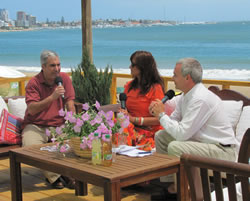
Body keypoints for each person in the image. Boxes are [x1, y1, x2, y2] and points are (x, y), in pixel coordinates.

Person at [149, 58, 237, 201]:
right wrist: (161, 114)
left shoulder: (199, 98)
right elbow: (174, 121)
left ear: (187, 77)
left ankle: (190, 194)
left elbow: (182, 134)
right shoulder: (186, 96)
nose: (172, 78)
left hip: (222, 150)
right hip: (205, 144)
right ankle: (173, 188)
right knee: (161, 136)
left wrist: (161, 115)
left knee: (176, 146)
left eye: (175, 75)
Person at [21, 50, 76, 189]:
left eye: (58, 65)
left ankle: (61, 175)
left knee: (74, 144)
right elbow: (32, 109)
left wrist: (74, 122)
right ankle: (57, 176)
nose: (57, 69)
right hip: (36, 125)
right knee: (30, 148)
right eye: (52, 65)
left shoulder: (64, 78)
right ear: (43, 67)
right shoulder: (34, 83)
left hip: (59, 124)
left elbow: (70, 102)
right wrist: (52, 97)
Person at [121, 50, 165, 150]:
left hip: (149, 133)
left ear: (142, 67)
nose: (130, 67)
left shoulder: (155, 89)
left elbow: (160, 119)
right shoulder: (129, 86)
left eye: (133, 65)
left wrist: (134, 120)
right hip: (131, 129)